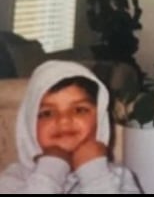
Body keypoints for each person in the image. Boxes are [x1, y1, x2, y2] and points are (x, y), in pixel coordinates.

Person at [0, 60, 141, 194]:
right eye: (47, 113)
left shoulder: (119, 177)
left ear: (100, 120)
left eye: (79, 110)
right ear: (29, 124)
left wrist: (95, 175)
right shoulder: (11, 180)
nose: (64, 121)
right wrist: (50, 171)